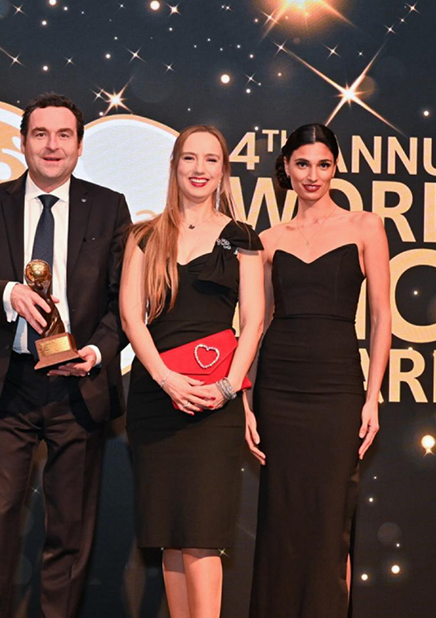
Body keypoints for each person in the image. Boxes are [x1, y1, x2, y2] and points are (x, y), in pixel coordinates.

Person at [0, 92, 131, 618]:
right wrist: (6, 294)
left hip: (79, 385)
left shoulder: (109, 206)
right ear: (22, 142)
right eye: (41, 134)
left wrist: (95, 351)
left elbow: (124, 300)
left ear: (79, 145)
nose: (52, 145)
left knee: (69, 528)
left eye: (64, 135)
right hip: (9, 383)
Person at [247, 123, 391, 618]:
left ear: (335, 168)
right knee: (281, 522)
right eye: (303, 164)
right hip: (278, 390)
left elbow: (381, 316)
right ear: (286, 168)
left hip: (337, 390)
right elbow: (254, 325)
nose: (313, 175)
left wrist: (372, 398)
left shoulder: (365, 226)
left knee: (331, 523)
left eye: (323, 164)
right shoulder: (267, 240)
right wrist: (246, 400)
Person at [121, 125, 264, 618]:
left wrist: (227, 388)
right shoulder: (144, 235)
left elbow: (254, 320)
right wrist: (166, 379)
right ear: (175, 166)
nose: (199, 169)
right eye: (189, 158)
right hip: (156, 399)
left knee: (202, 535)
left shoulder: (242, 238)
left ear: (223, 170)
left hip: (214, 402)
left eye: (210, 159)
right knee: (171, 536)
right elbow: (130, 317)